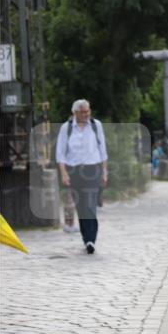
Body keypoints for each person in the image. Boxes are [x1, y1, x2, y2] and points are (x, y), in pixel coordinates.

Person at [55, 99, 108, 254]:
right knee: (81, 206)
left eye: (88, 111)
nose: (86, 114)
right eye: (83, 112)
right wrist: (64, 173)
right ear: (75, 113)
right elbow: (60, 153)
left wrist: (105, 171)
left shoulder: (96, 125)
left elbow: (103, 151)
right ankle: (86, 238)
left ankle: (91, 239)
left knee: (90, 204)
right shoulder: (66, 128)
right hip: (74, 170)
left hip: (93, 169)